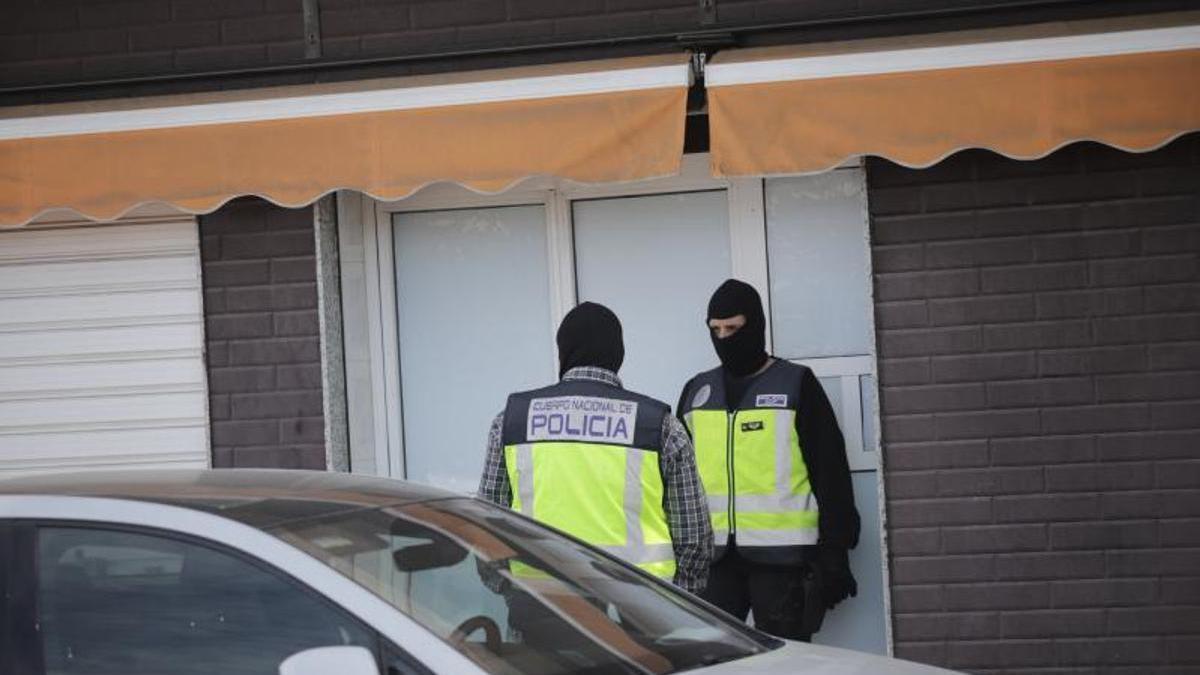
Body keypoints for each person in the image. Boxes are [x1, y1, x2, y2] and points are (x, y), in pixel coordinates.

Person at [479, 301, 713, 594]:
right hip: (643, 608)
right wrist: (682, 604)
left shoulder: (511, 421)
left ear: (563, 352)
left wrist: (505, 588)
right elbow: (693, 536)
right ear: (618, 354)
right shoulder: (659, 425)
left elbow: (487, 522)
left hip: (540, 602)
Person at [676, 279, 860, 641]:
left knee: (785, 662)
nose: (724, 338)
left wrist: (835, 550)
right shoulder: (696, 392)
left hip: (784, 561)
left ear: (755, 325)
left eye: (733, 328)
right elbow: (676, 480)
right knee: (710, 659)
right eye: (716, 330)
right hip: (714, 561)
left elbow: (830, 471)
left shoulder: (796, 384)